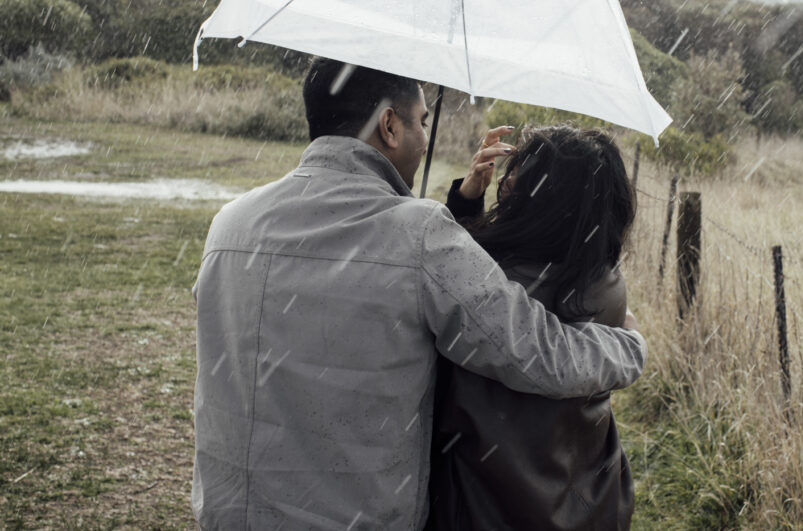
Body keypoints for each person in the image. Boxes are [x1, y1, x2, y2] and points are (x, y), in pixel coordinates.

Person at [191, 58, 647, 530]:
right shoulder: (419, 234)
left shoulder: (231, 221)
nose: (425, 138)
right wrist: (627, 346)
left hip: (228, 512)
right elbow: (537, 353)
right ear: (389, 125)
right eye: (423, 121)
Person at [429, 124, 637, 530]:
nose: (507, 181)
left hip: (490, 498)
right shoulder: (602, 279)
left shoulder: (497, 283)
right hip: (585, 492)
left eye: (518, 173)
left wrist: (466, 204)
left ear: (546, 199)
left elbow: (463, 274)